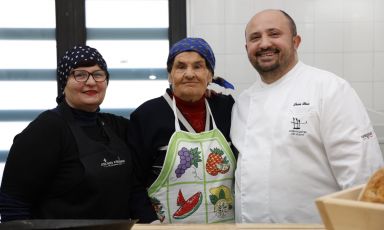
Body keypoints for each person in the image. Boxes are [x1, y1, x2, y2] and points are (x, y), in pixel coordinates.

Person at [231, 9, 384, 223]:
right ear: (247, 48)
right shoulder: (242, 103)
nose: (264, 44)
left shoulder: (329, 89)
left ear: (296, 41)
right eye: (255, 37)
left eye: (274, 34)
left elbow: (361, 176)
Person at [0, 45, 157, 223]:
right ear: (64, 82)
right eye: (80, 74)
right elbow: (13, 204)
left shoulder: (117, 127)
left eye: (98, 74)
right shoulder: (45, 130)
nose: (91, 82)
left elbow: (135, 189)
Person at [128, 37, 237, 223]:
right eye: (180, 67)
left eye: (198, 66)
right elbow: (132, 182)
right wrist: (150, 223)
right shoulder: (147, 115)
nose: (189, 74)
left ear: (210, 75)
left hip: (225, 225)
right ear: (170, 74)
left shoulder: (227, 109)